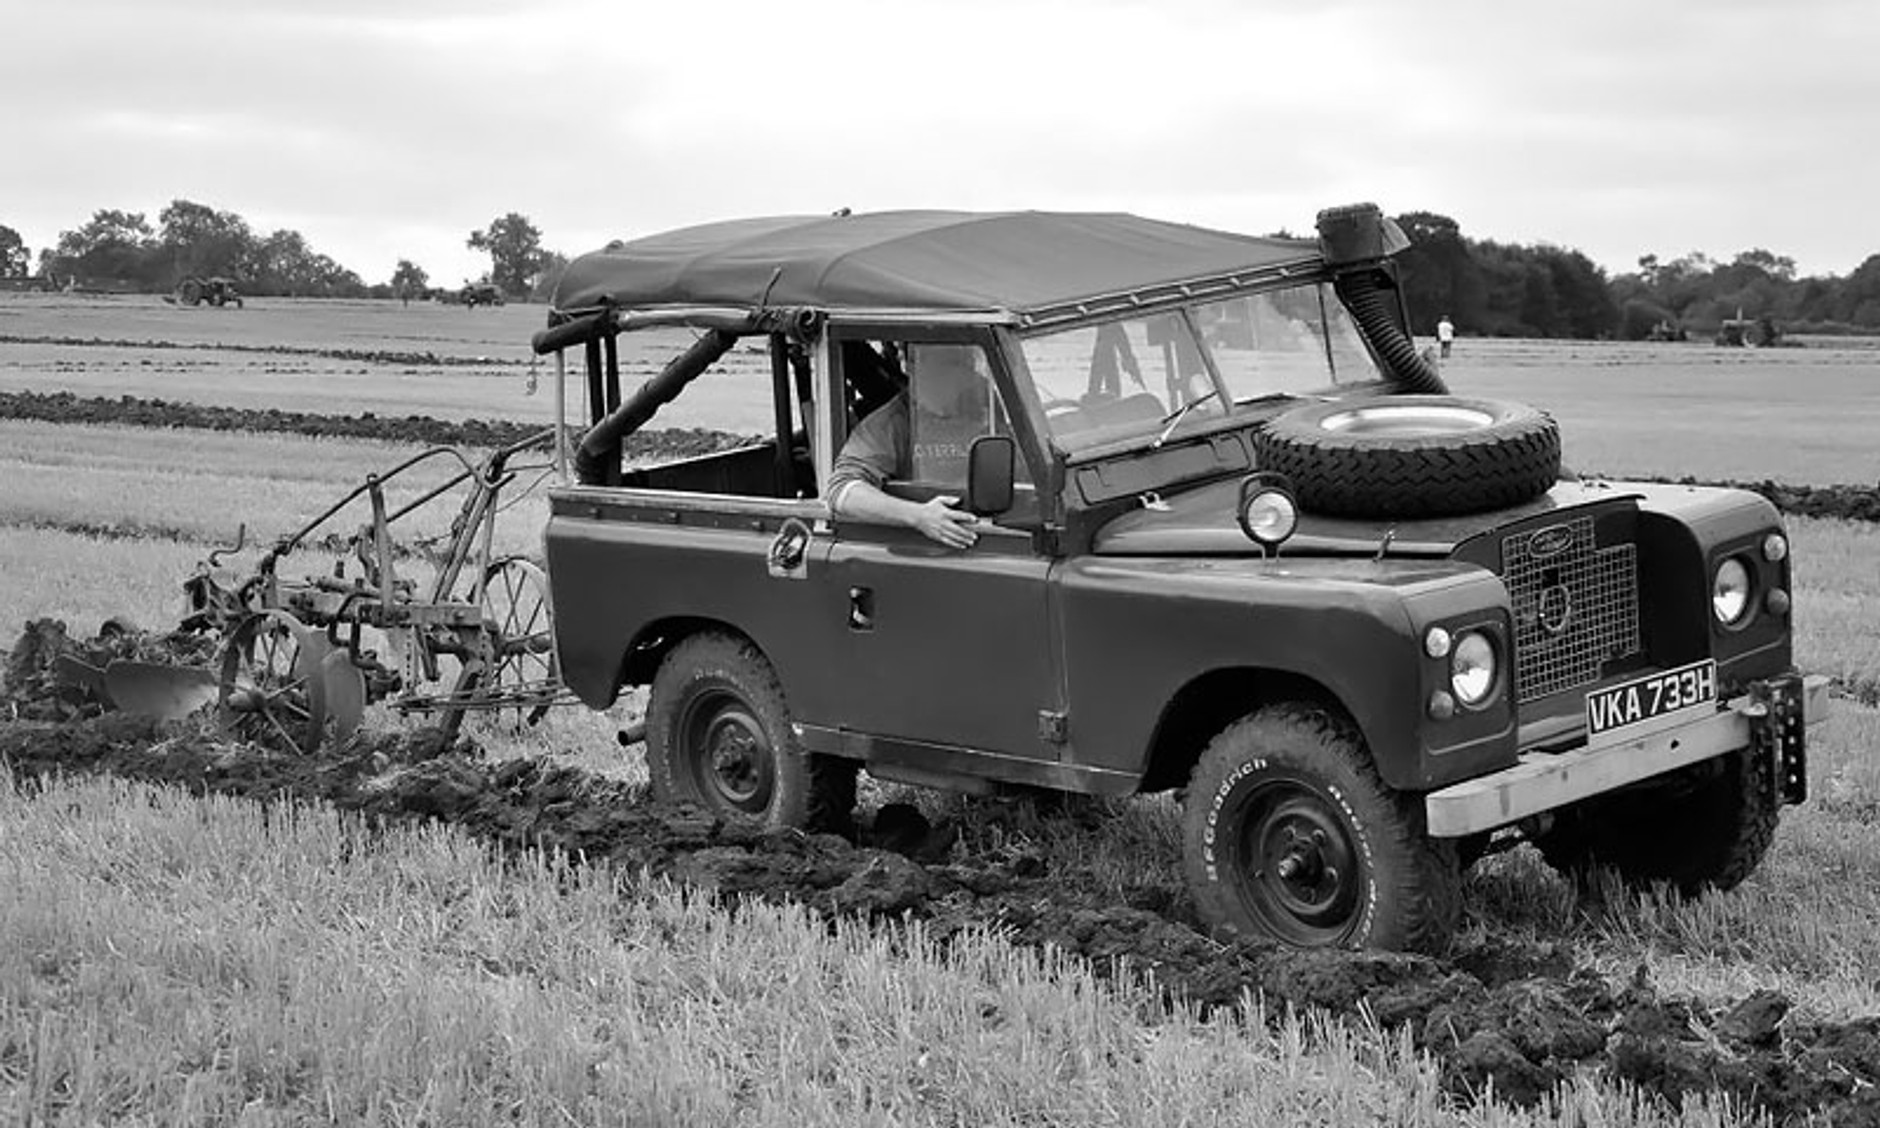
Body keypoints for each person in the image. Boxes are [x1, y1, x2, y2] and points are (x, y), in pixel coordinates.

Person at [826, 344, 989, 549]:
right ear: (911, 365)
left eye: (966, 361)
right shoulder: (890, 424)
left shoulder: (988, 405)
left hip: (994, 526)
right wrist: (919, 516)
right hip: (928, 547)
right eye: (949, 361)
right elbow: (841, 491)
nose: (965, 371)